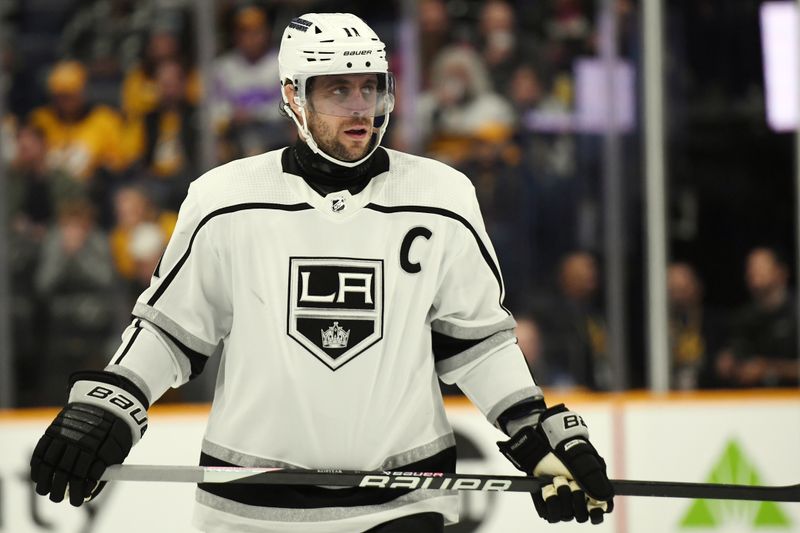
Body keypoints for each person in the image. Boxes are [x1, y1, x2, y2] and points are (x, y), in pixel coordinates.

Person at [30, 13, 614, 532]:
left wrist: (536, 431)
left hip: (403, 503)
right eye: (338, 89)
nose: (360, 107)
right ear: (293, 97)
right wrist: (110, 404)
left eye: (370, 87)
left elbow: (478, 341)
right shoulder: (225, 198)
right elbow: (172, 329)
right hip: (249, 508)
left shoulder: (441, 196)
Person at [714, 247, 799, 388]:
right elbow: (738, 355)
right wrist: (730, 364)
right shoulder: (743, 317)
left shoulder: (795, 311)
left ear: (781, 272)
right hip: (755, 402)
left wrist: (769, 369)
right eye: (750, 268)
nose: (753, 272)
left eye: (760, 267)